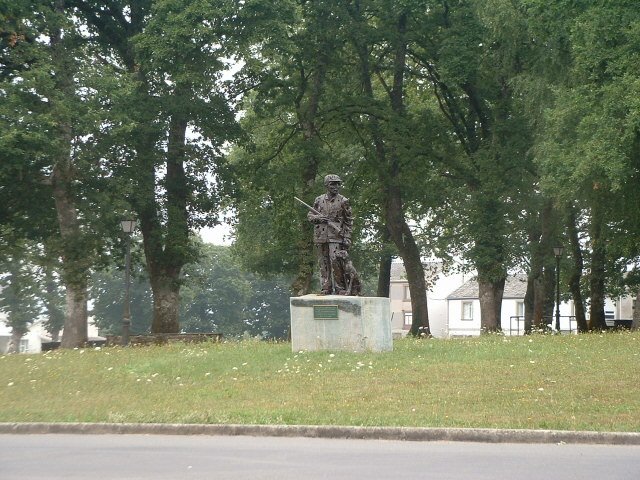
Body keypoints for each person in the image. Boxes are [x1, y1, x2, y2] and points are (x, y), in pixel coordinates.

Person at [307, 174, 354, 295]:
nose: (336, 186)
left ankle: (340, 288)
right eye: (333, 184)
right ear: (326, 185)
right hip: (320, 236)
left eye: (338, 184)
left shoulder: (344, 201)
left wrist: (347, 237)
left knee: (336, 261)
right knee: (323, 263)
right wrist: (318, 218)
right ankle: (326, 287)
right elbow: (310, 216)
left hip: (337, 237)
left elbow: (349, 221)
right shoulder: (318, 200)